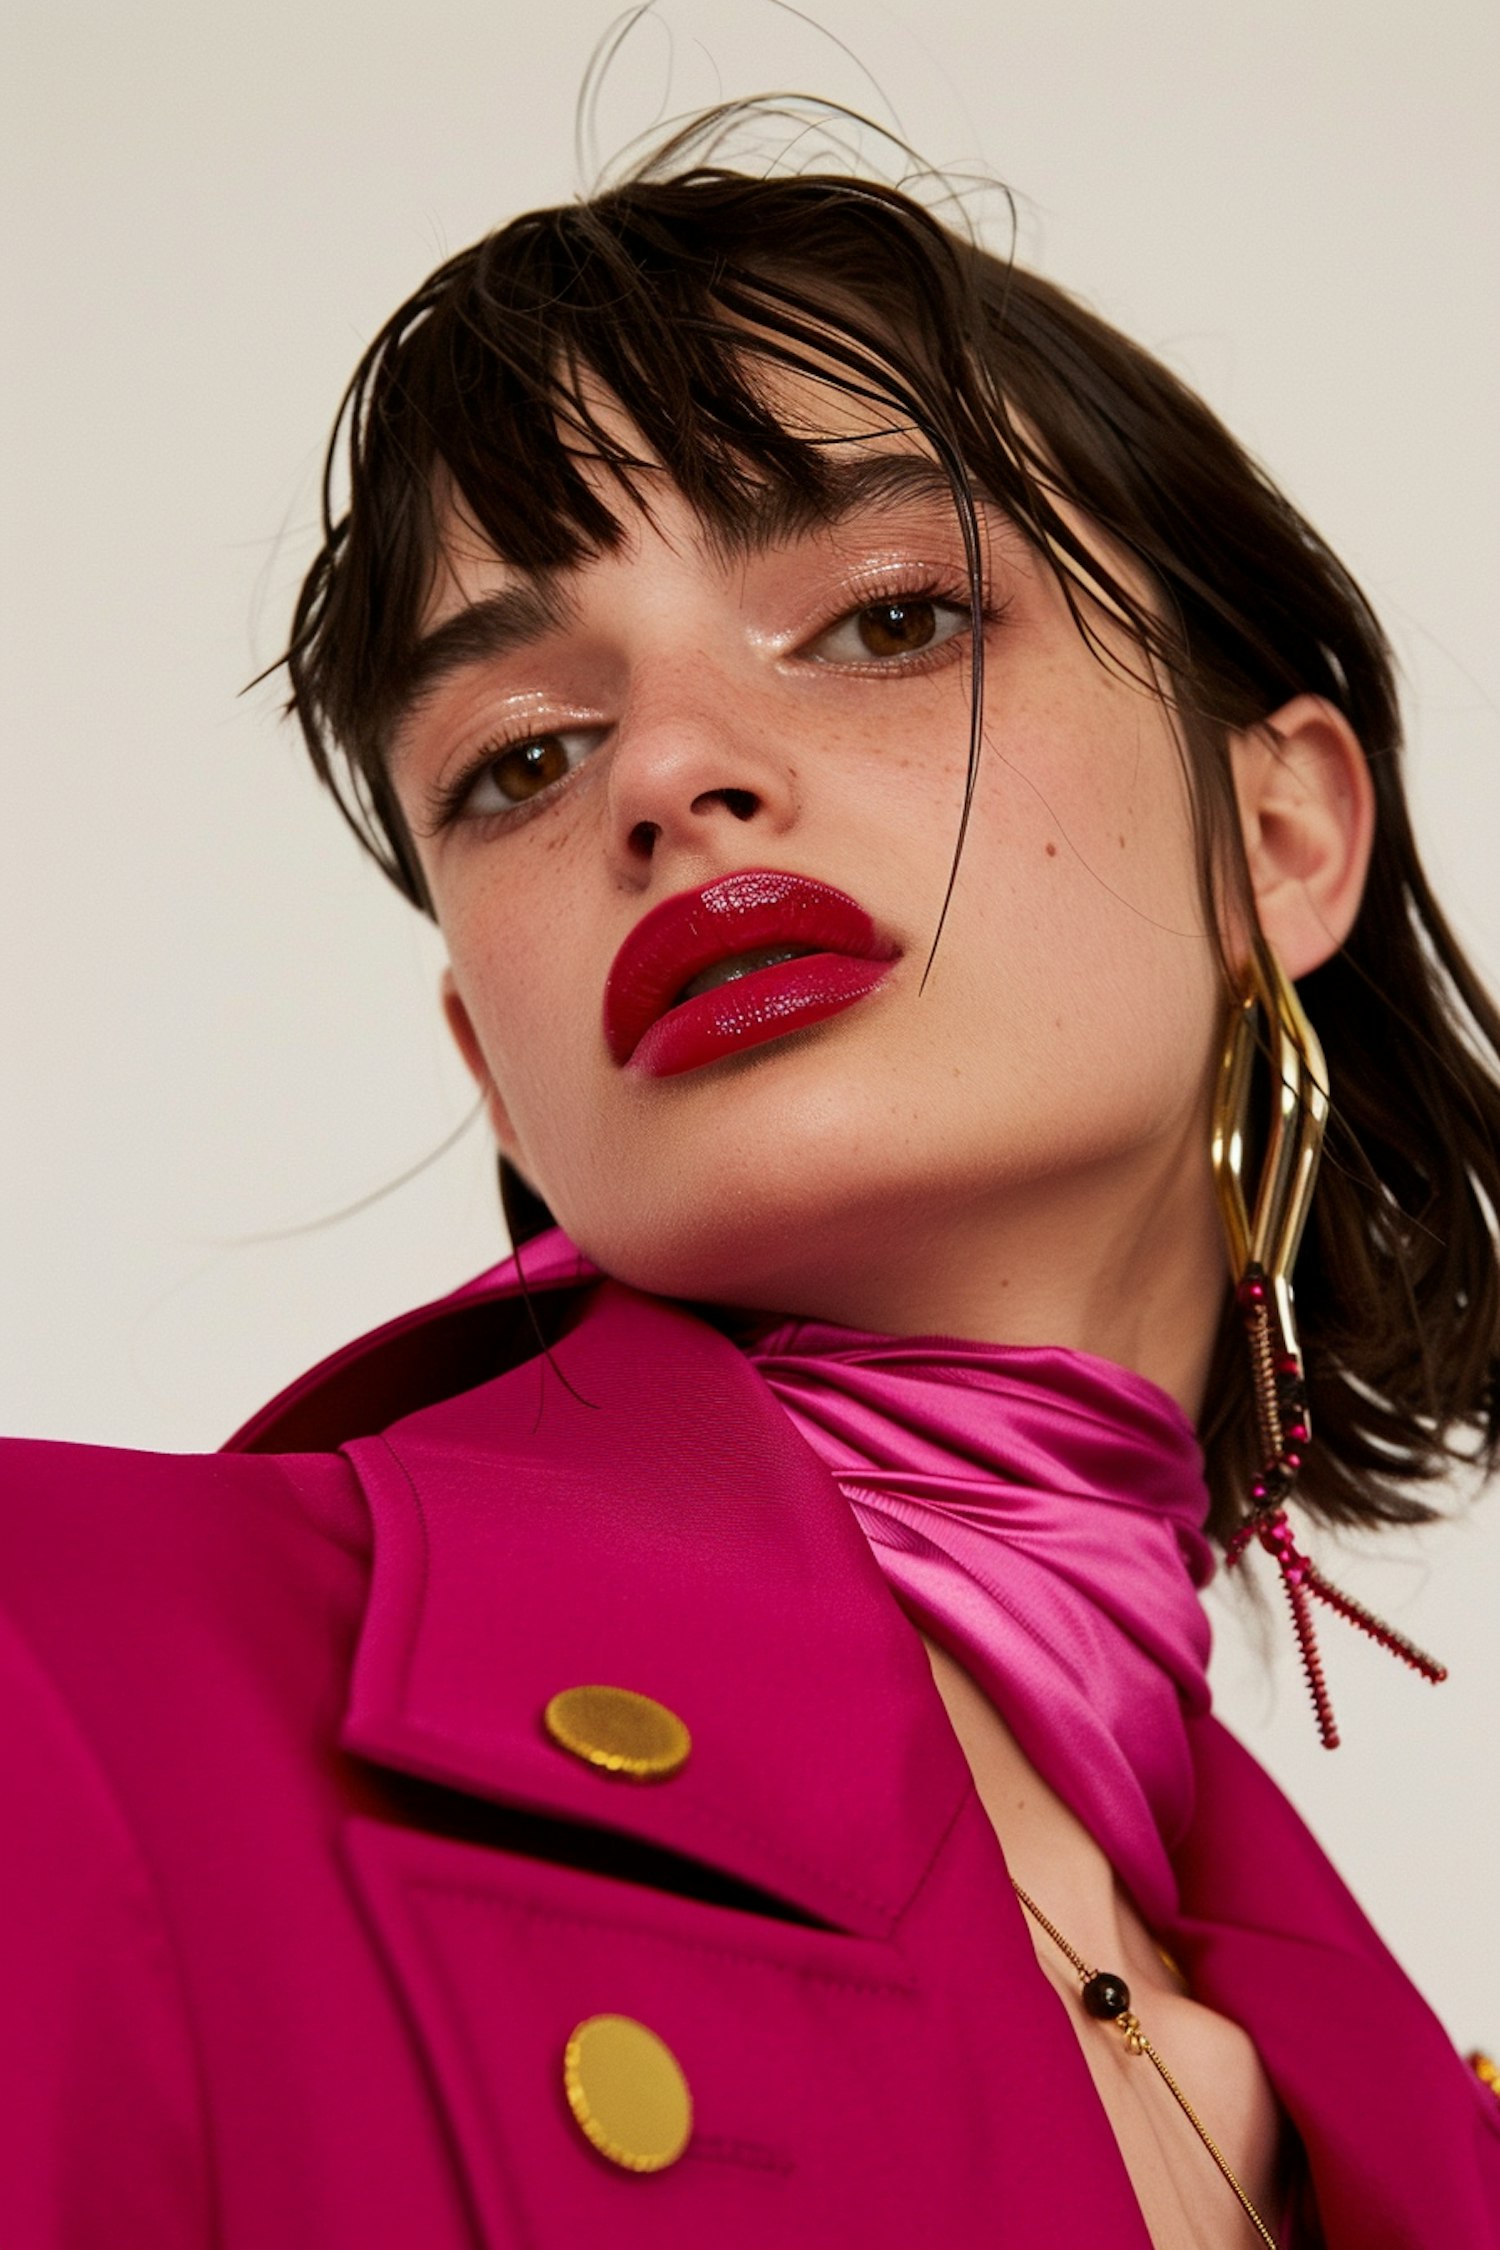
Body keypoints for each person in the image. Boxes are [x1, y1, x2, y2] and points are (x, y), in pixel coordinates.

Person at [3, 106, 1499, 2249]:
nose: (667, 771)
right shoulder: (58, 1674)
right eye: (521, 756)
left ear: (1280, 837)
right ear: (496, 1065)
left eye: (886, 619)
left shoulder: (1413, 2118)